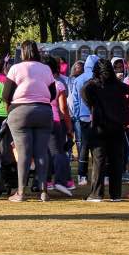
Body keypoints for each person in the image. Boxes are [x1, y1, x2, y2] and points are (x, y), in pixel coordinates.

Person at [3, 41, 57, 202]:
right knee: (41, 152)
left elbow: (6, 95)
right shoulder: (46, 69)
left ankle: (20, 192)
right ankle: (44, 192)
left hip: (20, 112)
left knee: (24, 152)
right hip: (44, 111)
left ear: (23, 53)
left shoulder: (15, 68)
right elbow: (52, 93)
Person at [80, 59, 129, 202]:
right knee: (116, 160)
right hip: (117, 126)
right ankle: (115, 194)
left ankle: (96, 194)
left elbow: (84, 94)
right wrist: (124, 104)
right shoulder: (117, 85)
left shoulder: (91, 86)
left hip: (99, 125)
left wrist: (94, 105)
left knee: (99, 161)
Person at [45, 56, 75, 196]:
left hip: (37, 120)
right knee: (58, 152)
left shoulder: (37, 84)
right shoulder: (58, 85)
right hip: (54, 120)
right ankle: (62, 181)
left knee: (44, 152)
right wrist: (69, 127)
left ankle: (46, 180)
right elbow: (63, 108)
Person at [71, 55, 98, 186]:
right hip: (98, 116)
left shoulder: (79, 79)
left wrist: (76, 115)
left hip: (83, 117)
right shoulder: (99, 79)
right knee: (99, 146)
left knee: (84, 147)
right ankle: (100, 175)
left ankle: (82, 176)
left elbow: (74, 101)